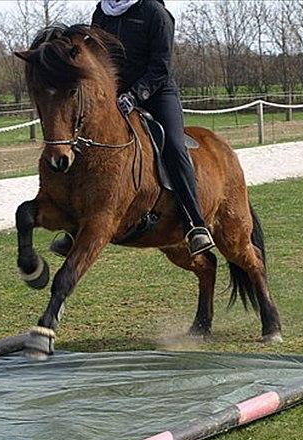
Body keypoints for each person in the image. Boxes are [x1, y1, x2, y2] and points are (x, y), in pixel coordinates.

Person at [91, 0, 215, 256]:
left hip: (158, 93)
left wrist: (136, 95)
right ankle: (78, 224)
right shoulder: (101, 13)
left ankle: (195, 224)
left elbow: (161, 66)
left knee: (173, 144)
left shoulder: (155, 13)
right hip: (116, 95)